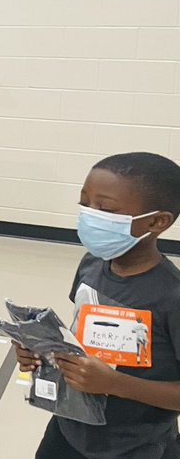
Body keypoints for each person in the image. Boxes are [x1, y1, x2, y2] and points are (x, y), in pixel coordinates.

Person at [15, 153, 180, 459]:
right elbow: (82, 338)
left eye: (106, 209)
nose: (90, 215)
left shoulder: (172, 296)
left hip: (136, 447)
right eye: (85, 203)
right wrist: (42, 351)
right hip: (67, 432)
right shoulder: (90, 265)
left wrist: (115, 384)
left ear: (157, 221)